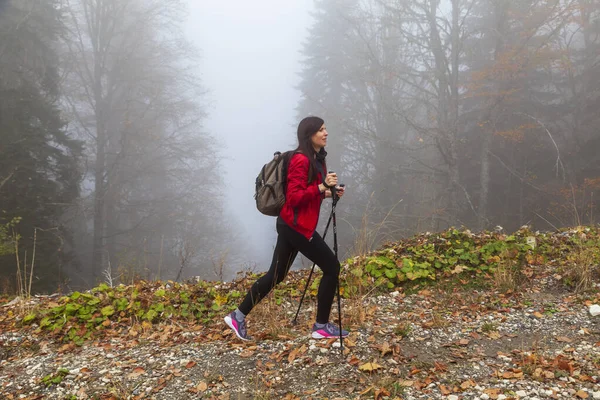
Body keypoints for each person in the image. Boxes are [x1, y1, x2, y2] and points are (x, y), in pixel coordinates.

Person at [224, 116, 348, 341]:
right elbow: (294, 198)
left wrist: (329, 192)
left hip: (291, 224)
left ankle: (237, 316)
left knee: (275, 276)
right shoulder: (301, 160)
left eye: (325, 128)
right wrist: (322, 186)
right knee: (332, 267)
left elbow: (309, 192)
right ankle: (321, 326)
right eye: (321, 130)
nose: (326, 132)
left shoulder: (317, 159)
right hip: (297, 227)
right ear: (309, 135)